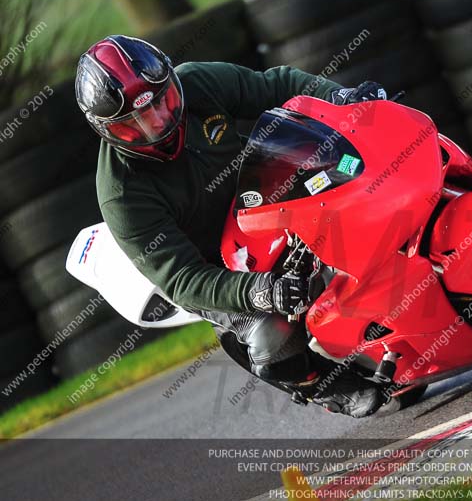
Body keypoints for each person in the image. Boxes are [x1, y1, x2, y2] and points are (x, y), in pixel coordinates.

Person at [75, 35, 388, 417]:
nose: (158, 122)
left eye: (162, 101)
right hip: (219, 263)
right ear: (106, 129)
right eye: (135, 123)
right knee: (270, 337)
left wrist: (341, 99)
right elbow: (183, 280)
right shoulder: (120, 193)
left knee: (364, 180)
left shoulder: (196, 83)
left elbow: (277, 85)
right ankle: (322, 384)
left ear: (171, 83)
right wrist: (259, 291)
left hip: (270, 195)